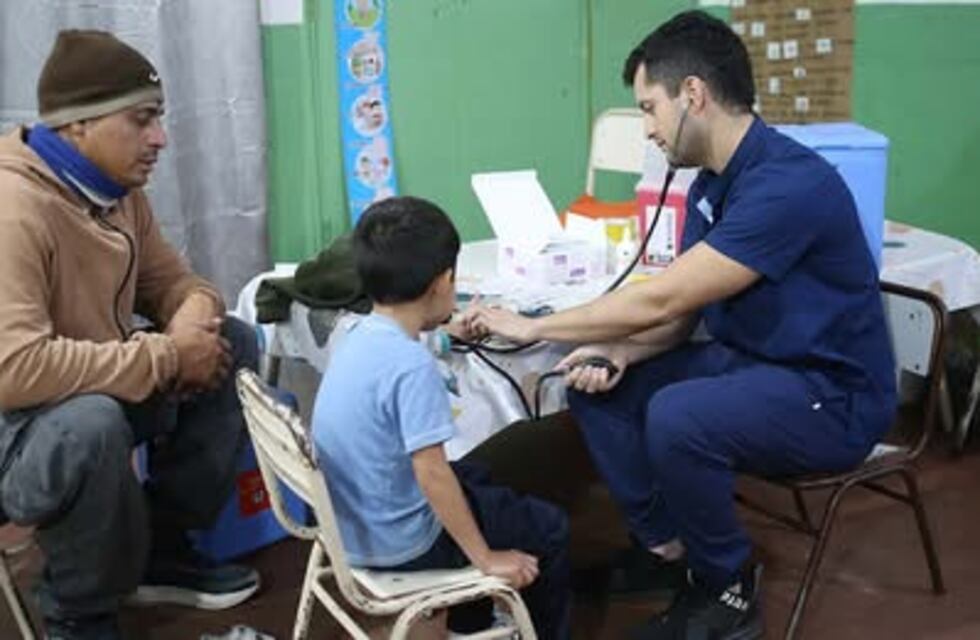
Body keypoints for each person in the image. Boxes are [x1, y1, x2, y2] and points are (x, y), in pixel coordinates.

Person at [465, 10, 896, 640]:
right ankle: (666, 546)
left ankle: (727, 586)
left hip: (832, 394)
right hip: (758, 366)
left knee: (680, 416)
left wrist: (535, 327)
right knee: (598, 385)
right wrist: (616, 352)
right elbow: (679, 317)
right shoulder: (710, 185)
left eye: (648, 109)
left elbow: (663, 300)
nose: (647, 130)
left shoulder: (789, 185)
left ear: (692, 95)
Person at [0, 30, 260, 640]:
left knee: (236, 343)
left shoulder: (116, 193)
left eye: (160, 120)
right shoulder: (14, 210)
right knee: (90, 423)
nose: (161, 139)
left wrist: (196, 314)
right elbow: (12, 369)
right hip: (17, 433)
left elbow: (177, 281)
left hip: (88, 400)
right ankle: (77, 612)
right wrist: (168, 354)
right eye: (141, 121)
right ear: (76, 127)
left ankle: (160, 547)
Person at [312, 196, 571, 638]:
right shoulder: (412, 369)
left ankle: (472, 621)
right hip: (404, 544)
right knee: (550, 527)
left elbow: (395, 354)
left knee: (480, 475)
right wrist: (486, 558)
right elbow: (431, 474)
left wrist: (443, 334)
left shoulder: (354, 332)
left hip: (350, 528)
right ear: (443, 282)